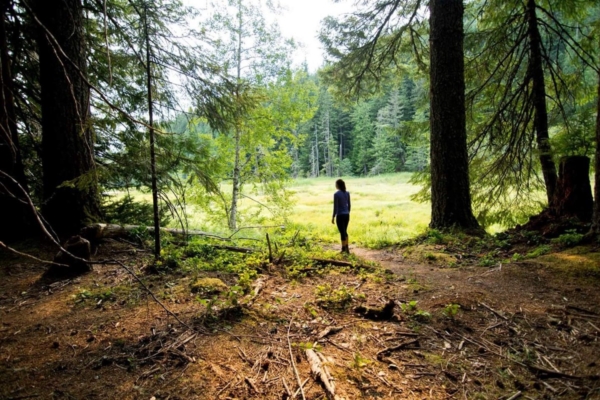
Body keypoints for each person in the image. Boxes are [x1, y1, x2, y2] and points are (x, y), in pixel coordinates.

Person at [331, 179, 351, 253]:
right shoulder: (347, 193)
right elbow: (349, 205)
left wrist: (333, 216)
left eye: (336, 184)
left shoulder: (336, 194)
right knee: (345, 231)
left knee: (342, 232)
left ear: (338, 185)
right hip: (346, 215)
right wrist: (348, 212)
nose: (335, 185)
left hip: (340, 215)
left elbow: (335, 207)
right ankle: (347, 248)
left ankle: (343, 249)